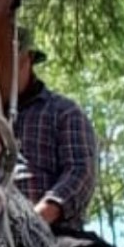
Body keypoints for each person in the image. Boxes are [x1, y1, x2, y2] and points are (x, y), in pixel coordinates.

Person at [13, 27, 98, 233]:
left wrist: (38, 217)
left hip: (52, 233)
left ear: (28, 59)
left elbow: (80, 172)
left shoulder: (64, 111)